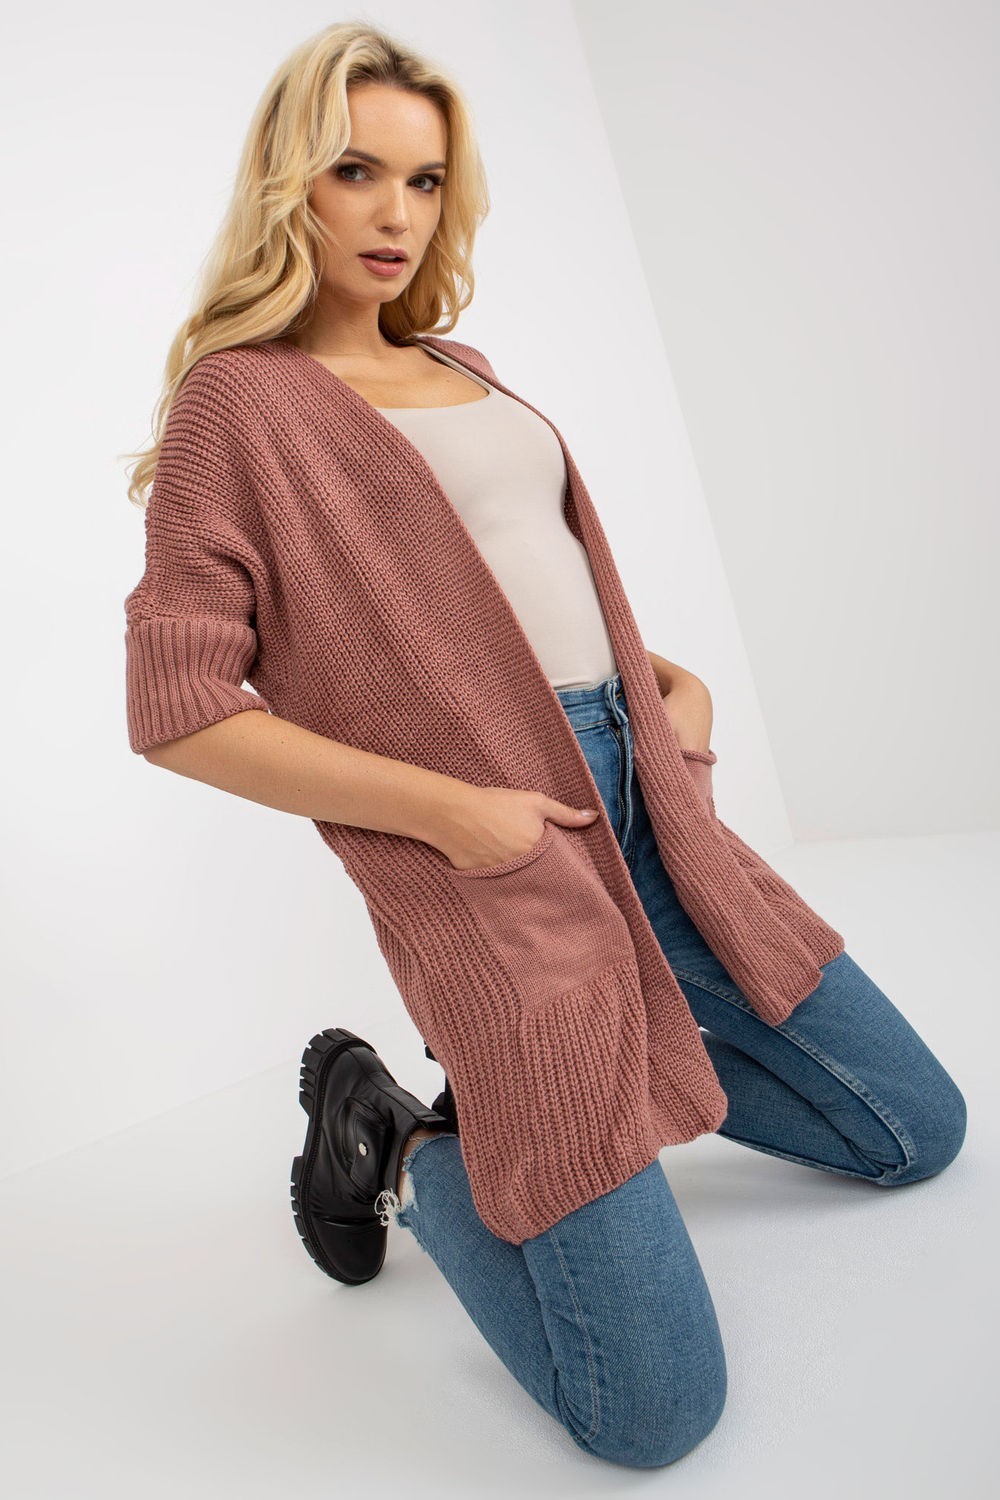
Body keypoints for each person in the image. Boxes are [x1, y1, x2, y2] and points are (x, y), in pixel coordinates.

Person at [122, 22, 967, 1471]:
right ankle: (403, 1141)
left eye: (425, 180)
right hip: (505, 866)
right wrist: (456, 818)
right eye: (356, 171)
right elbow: (180, 709)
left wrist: (669, 692)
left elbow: (510, 586)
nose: (396, 212)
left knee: (914, 1132)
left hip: (658, 812)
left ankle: (616, 1081)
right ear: (288, 181)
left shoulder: (464, 363)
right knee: (652, 1413)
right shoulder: (239, 403)